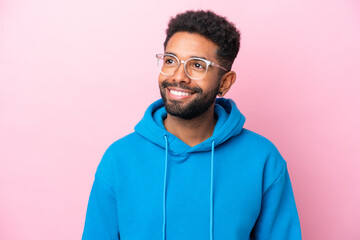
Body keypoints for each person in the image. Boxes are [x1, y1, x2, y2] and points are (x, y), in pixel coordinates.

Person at [82, 10, 301, 240]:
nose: (178, 76)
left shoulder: (262, 159)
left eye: (197, 65)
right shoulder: (120, 158)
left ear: (225, 82)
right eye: (170, 61)